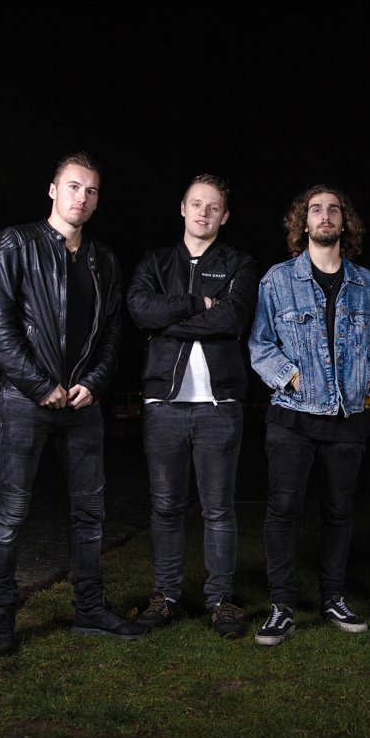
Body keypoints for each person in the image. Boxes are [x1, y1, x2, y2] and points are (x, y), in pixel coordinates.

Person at [0, 152, 146, 654]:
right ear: (53, 190)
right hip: (25, 402)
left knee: (90, 513)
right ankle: (1, 614)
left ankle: (89, 609)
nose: (81, 198)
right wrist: (38, 385)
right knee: (10, 513)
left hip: (82, 406)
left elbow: (112, 335)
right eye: (73, 186)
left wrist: (94, 382)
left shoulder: (103, 260)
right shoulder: (17, 243)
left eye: (91, 190)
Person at [248, 184, 370, 646]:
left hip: (348, 419)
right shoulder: (277, 280)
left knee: (339, 512)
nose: (325, 215)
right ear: (303, 222)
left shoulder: (366, 284)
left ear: (344, 222)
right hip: (292, 417)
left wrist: (368, 384)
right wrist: (290, 377)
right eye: (316, 209)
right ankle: (282, 607)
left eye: (333, 209)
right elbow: (259, 344)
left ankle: (334, 598)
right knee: (283, 511)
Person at [125, 174, 258, 639]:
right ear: (183, 208)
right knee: (165, 507)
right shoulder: (155, 261)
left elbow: (234, 316)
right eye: (196, 204)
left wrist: (170, 322)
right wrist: (197, 303)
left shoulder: (239, 263)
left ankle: (220, 600)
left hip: (219, 406)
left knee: (218, 509)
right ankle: (165, 596)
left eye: (213, 206)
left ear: (225, 215)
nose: (204, 212)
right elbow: (140, 309)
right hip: (163, 404)